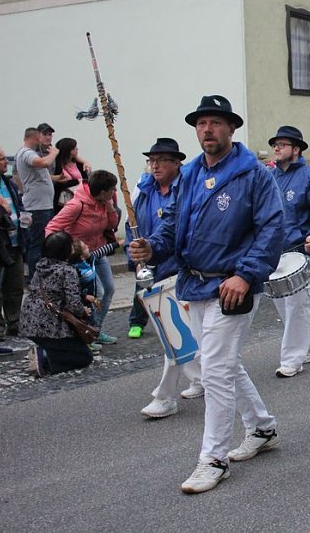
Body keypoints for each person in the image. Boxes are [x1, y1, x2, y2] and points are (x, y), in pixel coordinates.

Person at [128, 94, 285, 494]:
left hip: (230, 287)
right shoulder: (191, 174)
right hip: (193, 283)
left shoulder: (254, 175)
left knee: (214, 371)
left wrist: (246, 275)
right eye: (201, 124)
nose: (207, 130)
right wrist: (153, 247)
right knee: (223, 365)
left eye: (215, 123)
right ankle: (262, 428)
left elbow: (271, 229)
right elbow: (174, 223)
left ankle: (213, 458)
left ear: (231, 128)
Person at [125, 137, 204, 418]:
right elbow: (132, 227)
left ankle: (165, 396)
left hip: (177, 271)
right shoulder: (143, 190)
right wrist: (134, 256)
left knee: (174, 335)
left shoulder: (184, 189)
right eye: (151, 160)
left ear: (176, 163)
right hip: (151, 268)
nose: (155, 165)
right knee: (180, 333)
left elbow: (176, 229)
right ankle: (201, 377)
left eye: (161, 161)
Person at [268, 125, 310, 378]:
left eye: (282, 144)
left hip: (302, 251)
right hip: (275, 251)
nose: (276, 148)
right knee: (282, 304)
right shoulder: (271, 177)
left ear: (296, 149)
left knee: (299, 306)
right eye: (275, 144)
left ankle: (291, 360)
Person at [45, 170, 120, 344]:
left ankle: (95, 330)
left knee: (109, 289)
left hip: (98, 252)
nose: (114, 192)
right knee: (95, 293)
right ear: (102, 191)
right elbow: (51, 227)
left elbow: (112, 225)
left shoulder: (104, 202)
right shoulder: (76, 205)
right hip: (80, 257)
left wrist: (110, 209)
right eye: (112, 189)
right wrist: (63, 251)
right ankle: (86, 331)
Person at [22, 231, 94, 377]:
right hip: (52, 325)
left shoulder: (40, 266)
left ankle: (44, 353)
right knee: (84, 357)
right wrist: (84, 311)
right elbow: (74, 303)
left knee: (63, 348)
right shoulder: (67, 270)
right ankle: (44, 359)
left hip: (28, 321)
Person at [15, 127, 58, 280]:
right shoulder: (27, 153)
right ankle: (35, 278)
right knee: (37, 244)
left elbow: (40, 174)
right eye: (41, 137)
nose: (43, 141)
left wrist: (57, 179)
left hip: (42, 205)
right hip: (37, 207)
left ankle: (40, 275)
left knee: (41, 242)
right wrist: (53, 153)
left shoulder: (28, 153)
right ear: (34, 137)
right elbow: (42, 163)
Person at [0, 146, 25, 340]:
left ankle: (14, 322)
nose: (6, 162)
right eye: (1, 159)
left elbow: (18, 203)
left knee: (15, 286)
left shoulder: (8, 182)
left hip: (16, 242)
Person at [52, 138, 90, 213]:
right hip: (62, 200)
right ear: (68, 151)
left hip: (79, 197)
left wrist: (78, 181)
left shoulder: (79, 164)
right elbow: (60, 183)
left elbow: (86, 180)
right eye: (74, 148)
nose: (77, 149)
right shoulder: (56, 165)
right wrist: (77, 181)